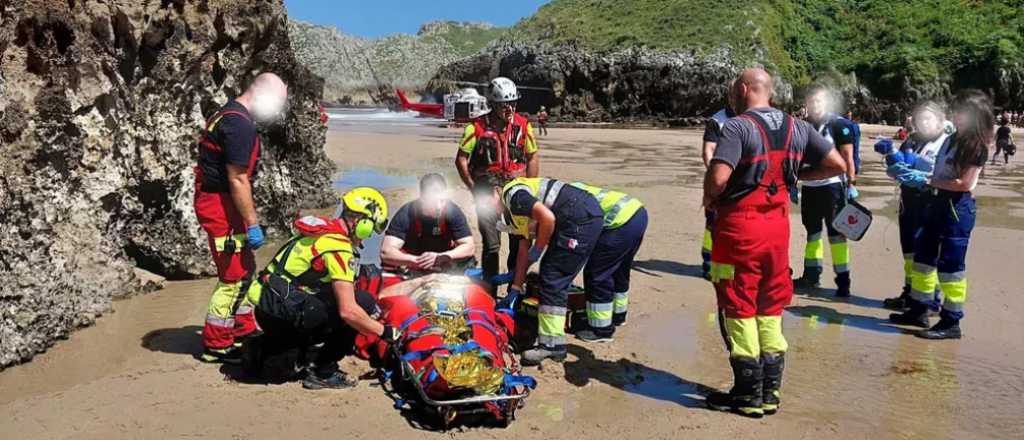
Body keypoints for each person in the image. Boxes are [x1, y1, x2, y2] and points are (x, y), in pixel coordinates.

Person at [702, 69, 846, 417]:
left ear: (743, 89)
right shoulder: (799, 127)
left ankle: (747, 393)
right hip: (778, 228)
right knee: (769, 306)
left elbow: (719, 177)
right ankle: (770, 392)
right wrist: (798, 177)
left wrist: (709, 198)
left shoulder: (737, 126)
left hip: (740, 228)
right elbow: (837, 164)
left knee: (737, 305)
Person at [242, 188, 398, 389]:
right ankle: (323, 371)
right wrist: (384, 331)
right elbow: (348, 311)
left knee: (334, 303)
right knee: (363, 303)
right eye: (370, 230)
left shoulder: (322, 231)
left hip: (267, 308)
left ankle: (269, 347)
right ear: (363, 223)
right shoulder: (338, 248)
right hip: (282, 313)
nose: (367, 238)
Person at [193, 73, 288, 363]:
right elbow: (237, 179)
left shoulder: (228, 115)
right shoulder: (239, 124)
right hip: (221, 207)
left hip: (222, 203)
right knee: (233, 278)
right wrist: (253, 223)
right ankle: (217, 344)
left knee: (245, 270)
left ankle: (242, 329)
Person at [888, 90, 993, 339]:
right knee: (923, 259)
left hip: (956, 210)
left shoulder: (976, 145)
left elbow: (964, 184)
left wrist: (926, 179)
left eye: (962, 112)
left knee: (950, 267)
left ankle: (951, 320)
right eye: (956, 111)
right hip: (936, 204)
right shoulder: (951, 138)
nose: (957, 117)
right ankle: (919, 309)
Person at [492, 177, 604, 365]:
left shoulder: (512, 195)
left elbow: (548, 218)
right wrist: (515, 288)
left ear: (496, 190)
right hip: (578, 215)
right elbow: (522, 250)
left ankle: (552, 346)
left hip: (579, 218)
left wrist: (538, 249)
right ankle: (553, 343)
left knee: (553, 277)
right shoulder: (514, 211)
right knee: (551, 275)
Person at [455, 77, 540, 287]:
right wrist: (473, 188)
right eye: (504, 105)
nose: (509, 109)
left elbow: (532, 156)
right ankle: (489, 290)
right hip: (486, 191)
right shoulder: (475, 128)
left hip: (515, 192)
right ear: (493, 104)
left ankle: (514, 287)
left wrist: (531, 187)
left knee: (519, 242)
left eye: (513, 104)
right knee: (492, 245)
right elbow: (461, 159)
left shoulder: (523, 126)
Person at [876, 102, 954, 311]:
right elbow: (897, 167)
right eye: (919, 119)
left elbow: (950, 175)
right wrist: (891, 155)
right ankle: (910, 292)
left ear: (940, 119)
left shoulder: (946, 143)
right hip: (908, 201)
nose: (923, 122)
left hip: (932, 202)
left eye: (928, 118)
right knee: (909, 251)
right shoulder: (911, 140)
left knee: (927, 254)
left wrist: (923, 177)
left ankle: (931, 299)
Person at [793, 85, 859, 297]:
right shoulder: (803, 126)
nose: (814, 105)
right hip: (810, 188)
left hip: (832, 188)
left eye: (819, 101)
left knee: (837, 235)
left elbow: (847, 158)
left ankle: (843, 281)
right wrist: (793, 183)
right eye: (811, 102)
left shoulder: (839, 126)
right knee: (812, 233)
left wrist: (851, 184)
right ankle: (811, 276)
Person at [570, 183, 648, 342]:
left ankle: (601, 329)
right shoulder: (569, 189)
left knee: (597, 273)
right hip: (637, 213)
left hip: (620, 222)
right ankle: (618, 316)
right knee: (620, 269)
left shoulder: (563, 205)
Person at [380, 173, 476, 279]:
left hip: (443, 264)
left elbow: (469, 246)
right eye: (434, 201)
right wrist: (417, 261)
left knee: (468, 261)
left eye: (442, 201)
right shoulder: (406, 213)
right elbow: (386, 252)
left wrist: (441, 257)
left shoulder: (452, 211)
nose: (439, 206)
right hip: (412, 265)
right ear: (423, 199)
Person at [700, 98, 737, 280]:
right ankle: (708, 264)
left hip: (740, 184)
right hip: (719, 181)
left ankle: (731, 266)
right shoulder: (717, 120)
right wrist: (715, 175)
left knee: (734, 225)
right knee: (713, 225)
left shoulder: (749, 116)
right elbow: (708, 150)